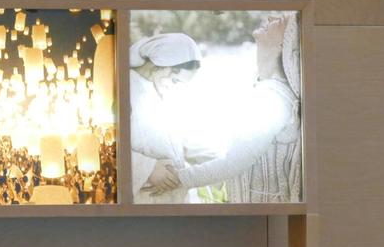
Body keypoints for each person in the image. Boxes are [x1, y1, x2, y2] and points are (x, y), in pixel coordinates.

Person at [141, 14, 302, 203]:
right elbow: (232, 152)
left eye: (283, 22)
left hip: (261, 212)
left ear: (286, 43)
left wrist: (177, 179)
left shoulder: (274, 97)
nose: (272, 17)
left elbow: (235, 162)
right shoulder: (260, 87)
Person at [129, 32, 212, 204]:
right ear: (158, 66)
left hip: (174, 198)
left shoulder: (165, 90)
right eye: (175, 80)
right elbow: (107, 146)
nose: (175, 86)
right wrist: (148, 168)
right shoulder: (125, 88)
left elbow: (185, 141)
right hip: (143, 200)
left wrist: (222, 161)